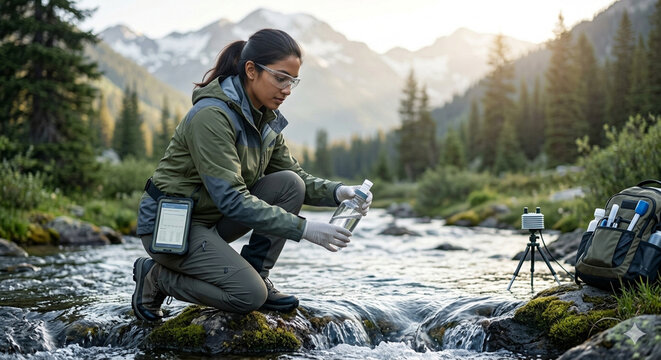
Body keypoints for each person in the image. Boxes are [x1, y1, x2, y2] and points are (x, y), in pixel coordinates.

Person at [132, 28, 373, 321]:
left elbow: (294, 177)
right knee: (248, 295)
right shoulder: (212, 116)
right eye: (280, 78)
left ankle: (259, 274)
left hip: (212, 221)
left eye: (293, 81)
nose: (287, 89)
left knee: (289, 184)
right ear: (251, 71)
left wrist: (339, 192)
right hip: (172, 227)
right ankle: (156, 278)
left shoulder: (265, 119)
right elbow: (232, 199)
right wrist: (305, 229)